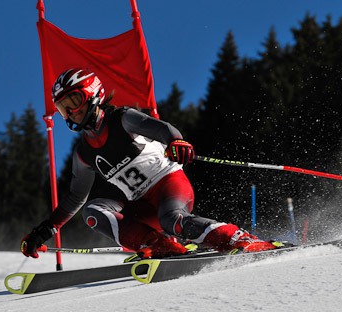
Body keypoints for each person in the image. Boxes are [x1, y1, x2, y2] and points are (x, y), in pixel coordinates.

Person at [21, 68, 276, 259]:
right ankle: (160, 246)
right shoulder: (84, 153)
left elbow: (165, 129)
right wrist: (43, 231)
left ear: (92, 94)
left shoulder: (121, 119)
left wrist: (176, 142)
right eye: (63, 108)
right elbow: (75, 198)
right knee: (93, 212)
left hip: (168, 183)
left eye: (74, 102)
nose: (71, 112)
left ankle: (238, 238)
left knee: (172, 219)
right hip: (140, 203)